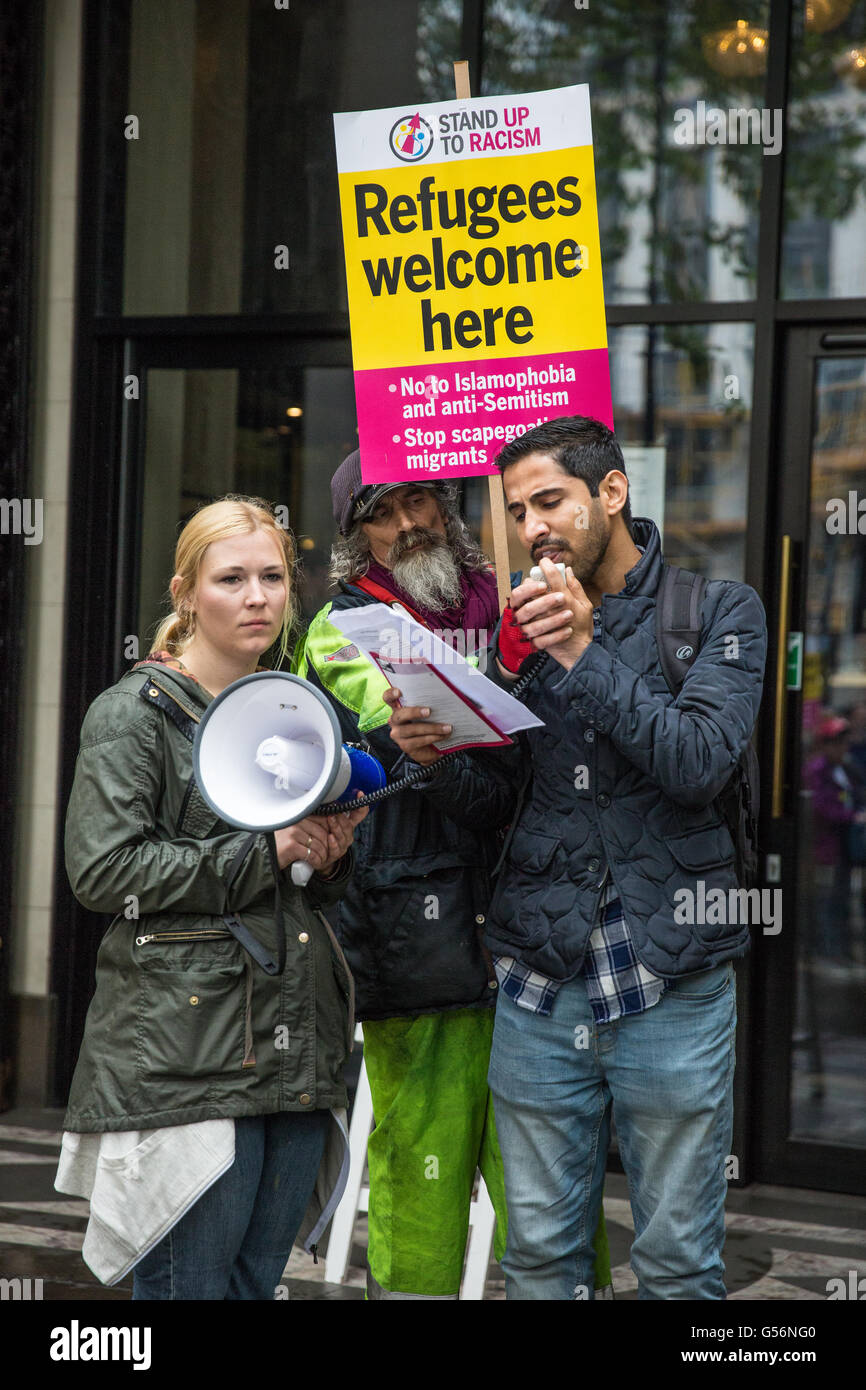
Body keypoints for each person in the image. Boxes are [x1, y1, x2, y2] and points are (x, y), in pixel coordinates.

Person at [387, 415, 768, 1300]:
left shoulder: (716, 612)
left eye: (549, 501)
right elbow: (498, 810)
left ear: (613, 492)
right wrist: (434, 758)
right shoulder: (522, 638)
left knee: (677, 1265)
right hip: (540, 990)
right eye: (517, 512)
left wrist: (583, 650)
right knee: (540, 1261)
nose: (532, 531)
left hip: (670, 985)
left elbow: (697, 762)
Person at [292, 449, 612, 1299]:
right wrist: (502, 669)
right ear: (357, 536)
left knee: (552, 1161)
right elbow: (415, 716)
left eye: (417, 501)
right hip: (412, 928)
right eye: (381, 514)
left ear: (446, 501)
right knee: (421, 1163)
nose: (407, 525)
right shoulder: (338, 623)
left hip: (535, 920)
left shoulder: (518, 592)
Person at [55, 495, 367, 1300]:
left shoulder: (294, 707)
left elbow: (301, 887)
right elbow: (105, 871)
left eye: (272, 576)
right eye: (232, 578)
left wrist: (327, 855)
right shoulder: (133, 716)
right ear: (186, 592)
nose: (258, 595)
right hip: (185, 1055)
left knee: (252, 1286)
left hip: (293, 1043)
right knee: (188, 1288)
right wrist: (264, 851)